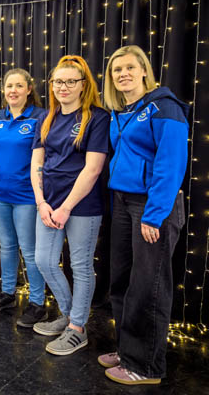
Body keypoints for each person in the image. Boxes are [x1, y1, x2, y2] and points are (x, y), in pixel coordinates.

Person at [99, 46, 188, 385]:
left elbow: (171, 164)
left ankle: (146, 367)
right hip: (122, 202)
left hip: (152, 206)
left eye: (128, 68)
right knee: (121, 281)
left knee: (148, 286)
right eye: (116, 70)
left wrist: (154, 215)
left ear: (143, 71)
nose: (122, 74)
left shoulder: (165, 108)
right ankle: (128, 349)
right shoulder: (124, 110)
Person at [30, 55, 109, 355]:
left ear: (83, 85)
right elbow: (37, 161)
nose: (63, 87)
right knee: (45, 261)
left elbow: (93, 169)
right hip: (48, 203)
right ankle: (67, 314)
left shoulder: (96, 118)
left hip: (82, 206)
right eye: (58, 82)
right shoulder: (46, 117)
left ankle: (78, 328)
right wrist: (41, 202)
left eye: (70, 81)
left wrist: (65, 208)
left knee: (80, 267)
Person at [0, 69, 48, 327]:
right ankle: (8, 293)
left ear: (29, 89)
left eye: (19, 86)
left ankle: (37, 303)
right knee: (6, 246)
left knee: (30, 251)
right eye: (9, 86)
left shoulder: (40, 117)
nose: (13, 90)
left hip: (27, 196)